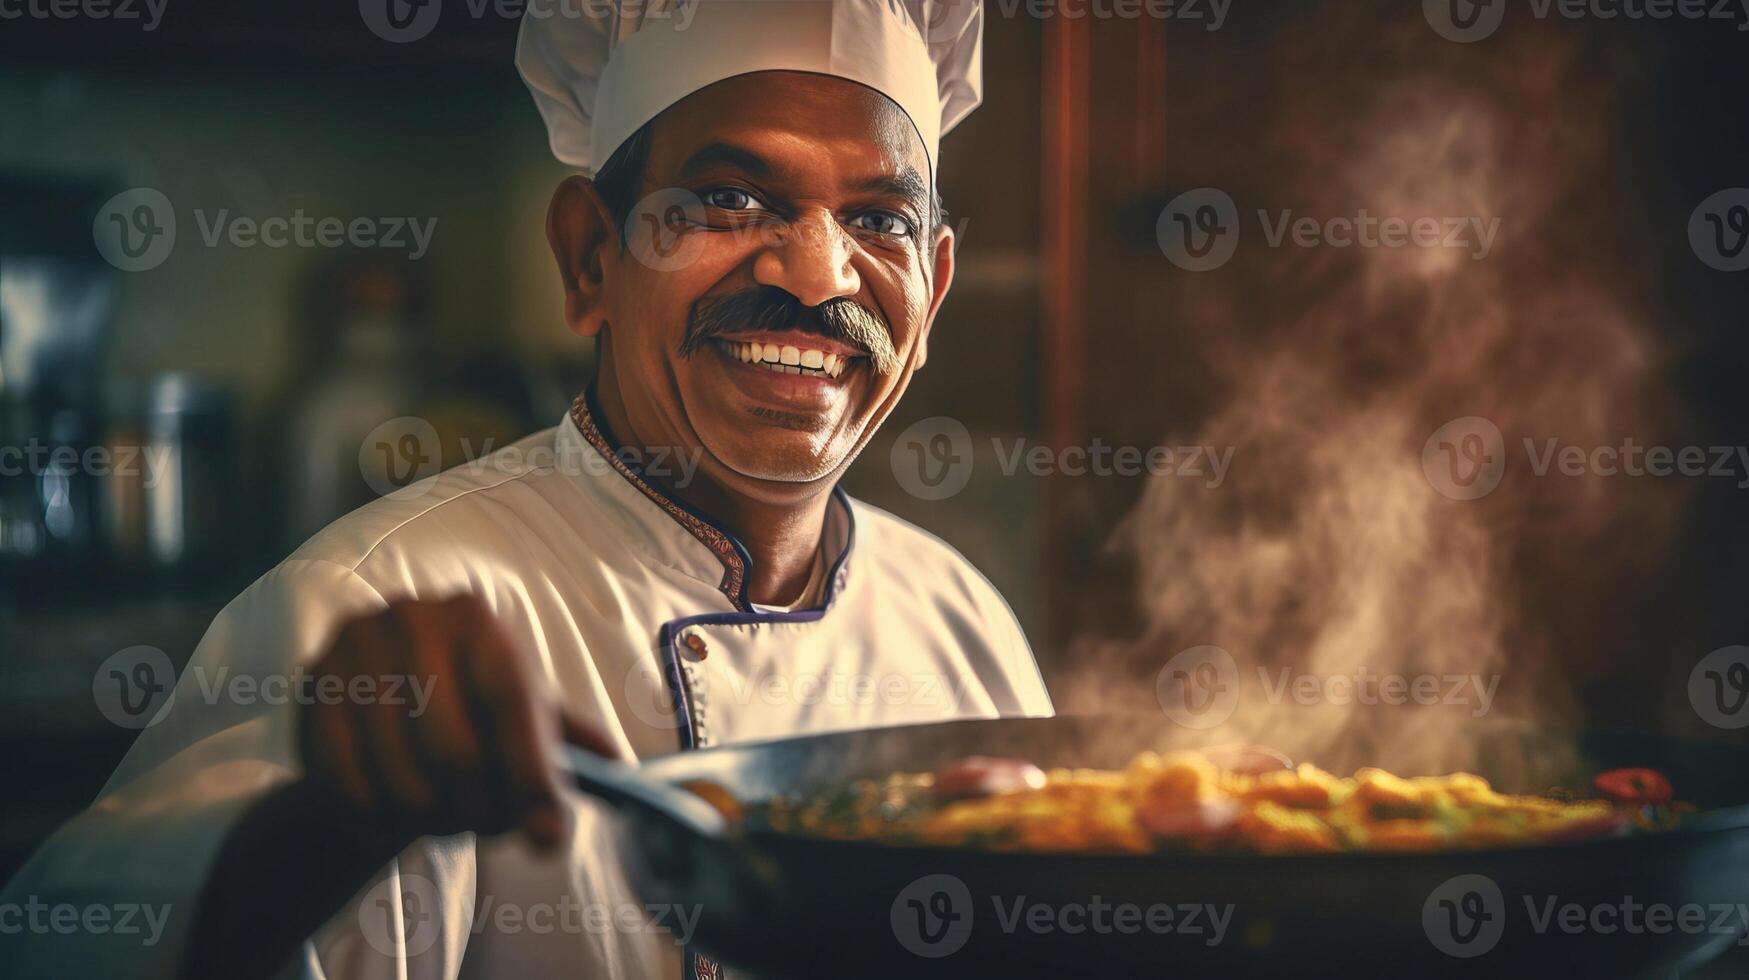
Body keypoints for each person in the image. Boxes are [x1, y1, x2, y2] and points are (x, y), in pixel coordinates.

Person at [0, 1, 1050, 977]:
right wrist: (323, 828)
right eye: (730, 198)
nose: (821, 274)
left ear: (934, 290)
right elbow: (81, 938)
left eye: (882, 219)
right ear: (591, 256)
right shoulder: (369, 607)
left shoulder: (961, 625)